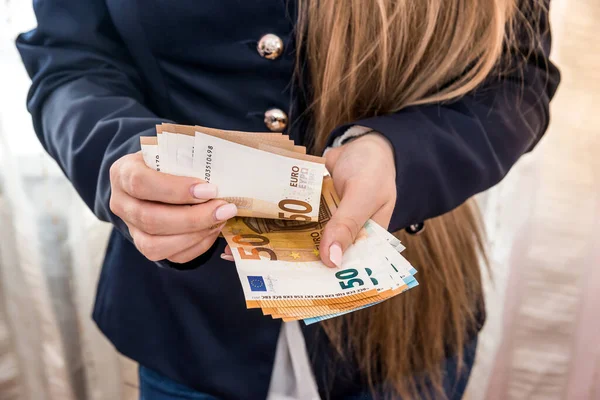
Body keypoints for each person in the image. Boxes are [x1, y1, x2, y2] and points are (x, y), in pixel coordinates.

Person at [16, 0, 560, 399]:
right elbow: (70, 58)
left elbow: (520, 73)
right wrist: (132, 161)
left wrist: (402, 155)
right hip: (187, 323)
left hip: (408, 322)